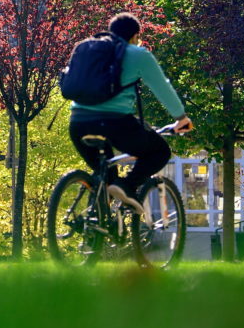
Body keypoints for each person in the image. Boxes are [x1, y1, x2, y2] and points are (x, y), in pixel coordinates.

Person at [68, 13, 193, 212]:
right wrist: (181, 117)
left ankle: (94, 223)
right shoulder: (137, 54)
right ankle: (127, 185)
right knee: (159, 151)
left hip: (78, 123)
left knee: (106, 178)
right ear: (135, 36)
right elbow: (162, 88)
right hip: (114, 123)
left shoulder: (87, 49)